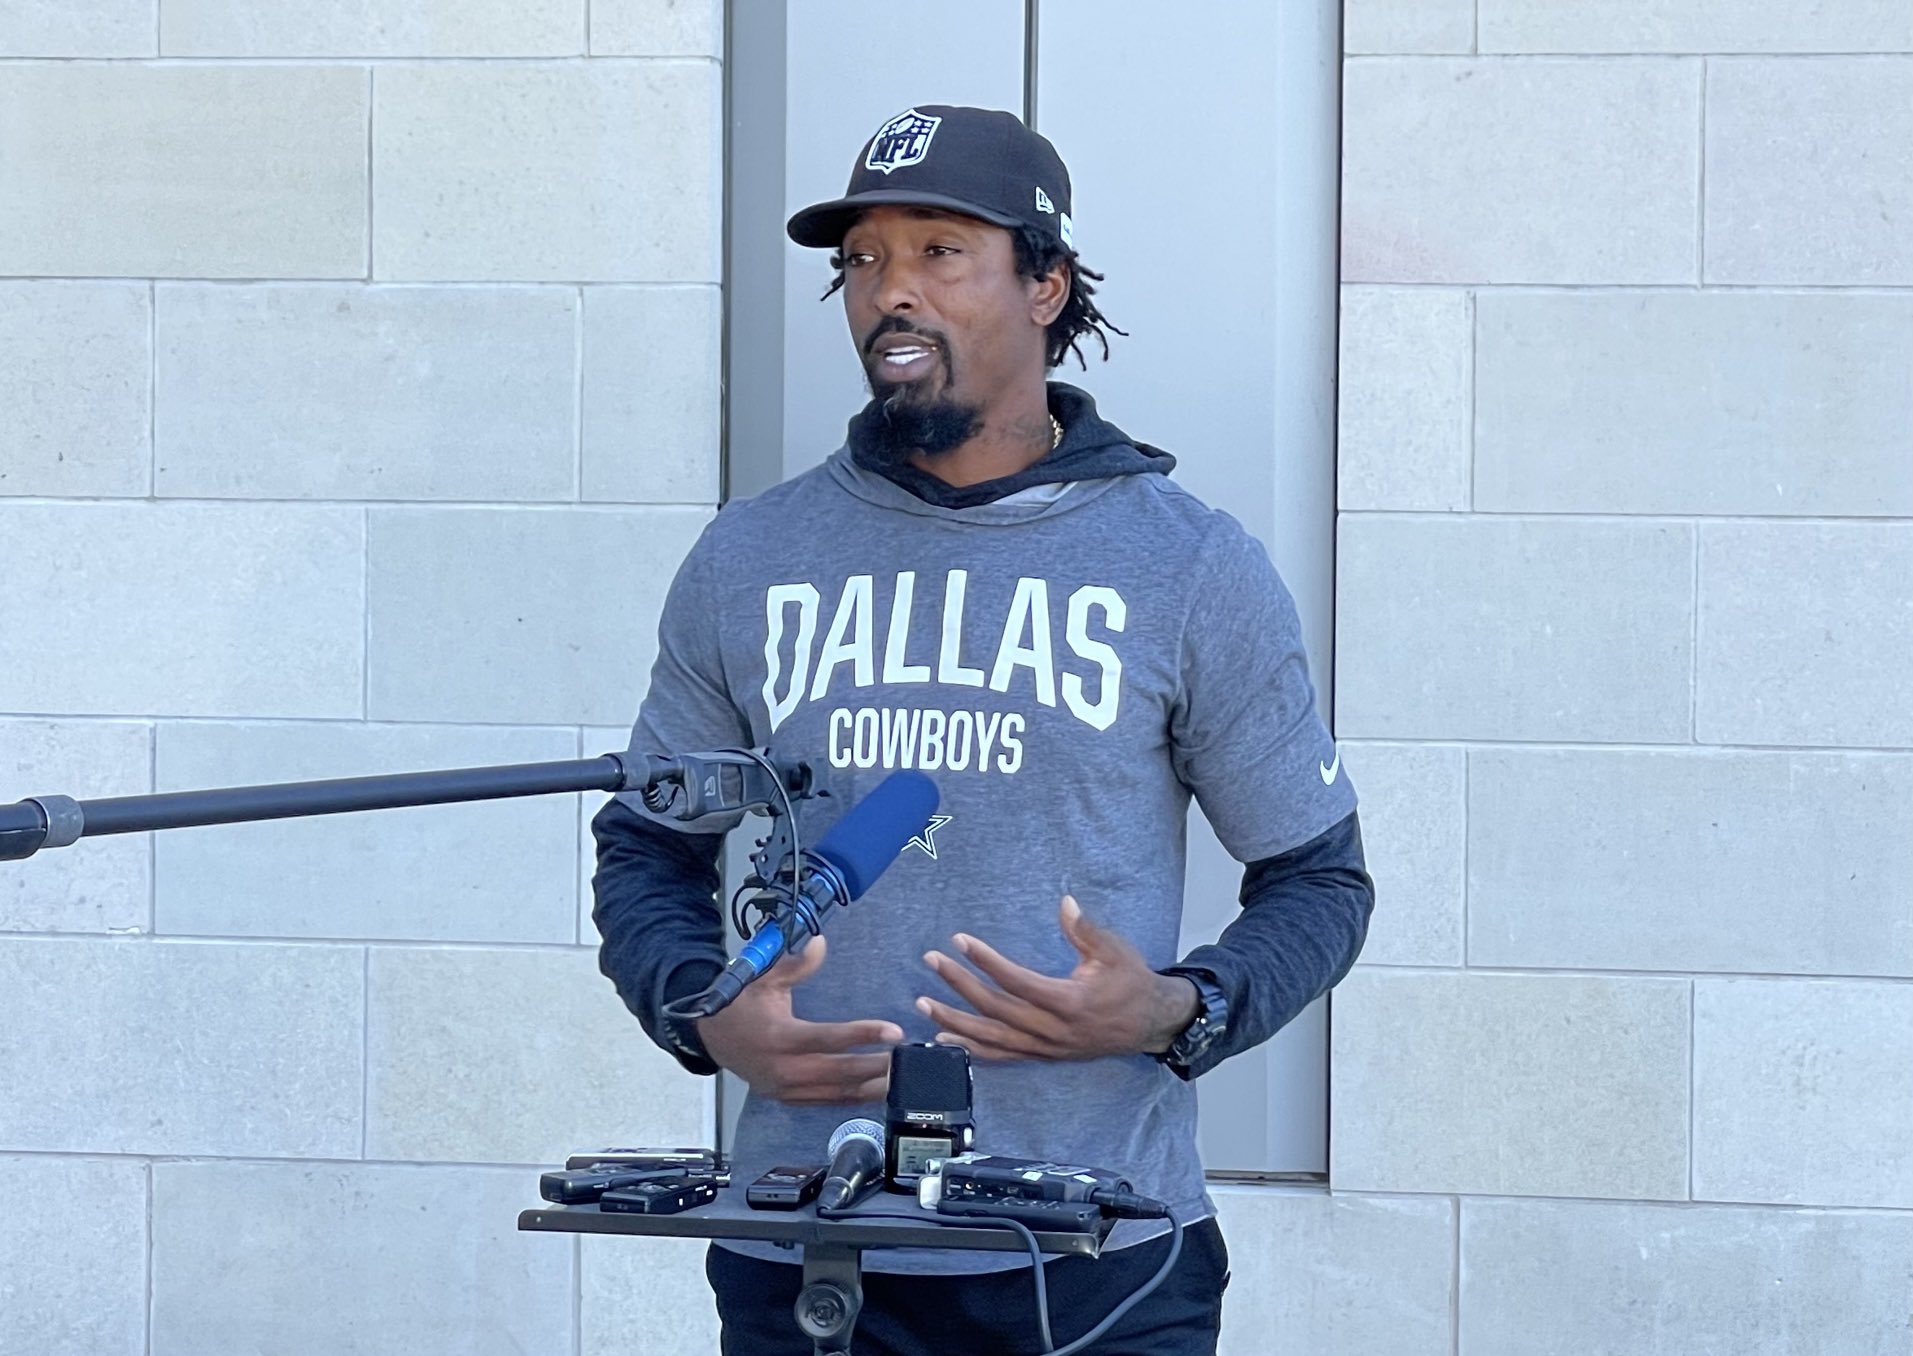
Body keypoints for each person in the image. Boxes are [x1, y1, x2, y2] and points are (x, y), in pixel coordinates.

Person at [592, 104, 1375, 1355]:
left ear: (1045, 285)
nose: (888, 291)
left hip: (1096, 1260)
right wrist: (700, 1009)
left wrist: (1177, 1010)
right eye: (861, 260)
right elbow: (646, 843)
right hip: (806, 1251)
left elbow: (1319, 881)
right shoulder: (748, 556)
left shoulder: (1189, 567)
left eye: (938, 251)